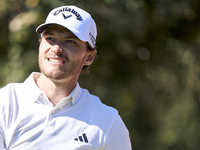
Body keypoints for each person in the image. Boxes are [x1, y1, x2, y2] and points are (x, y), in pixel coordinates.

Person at [0, 5, 132, 150]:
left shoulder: (108, 122)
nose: (56, 48)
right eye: (50, 38)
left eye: (70, 41)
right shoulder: (5, 102)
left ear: (89, 57)